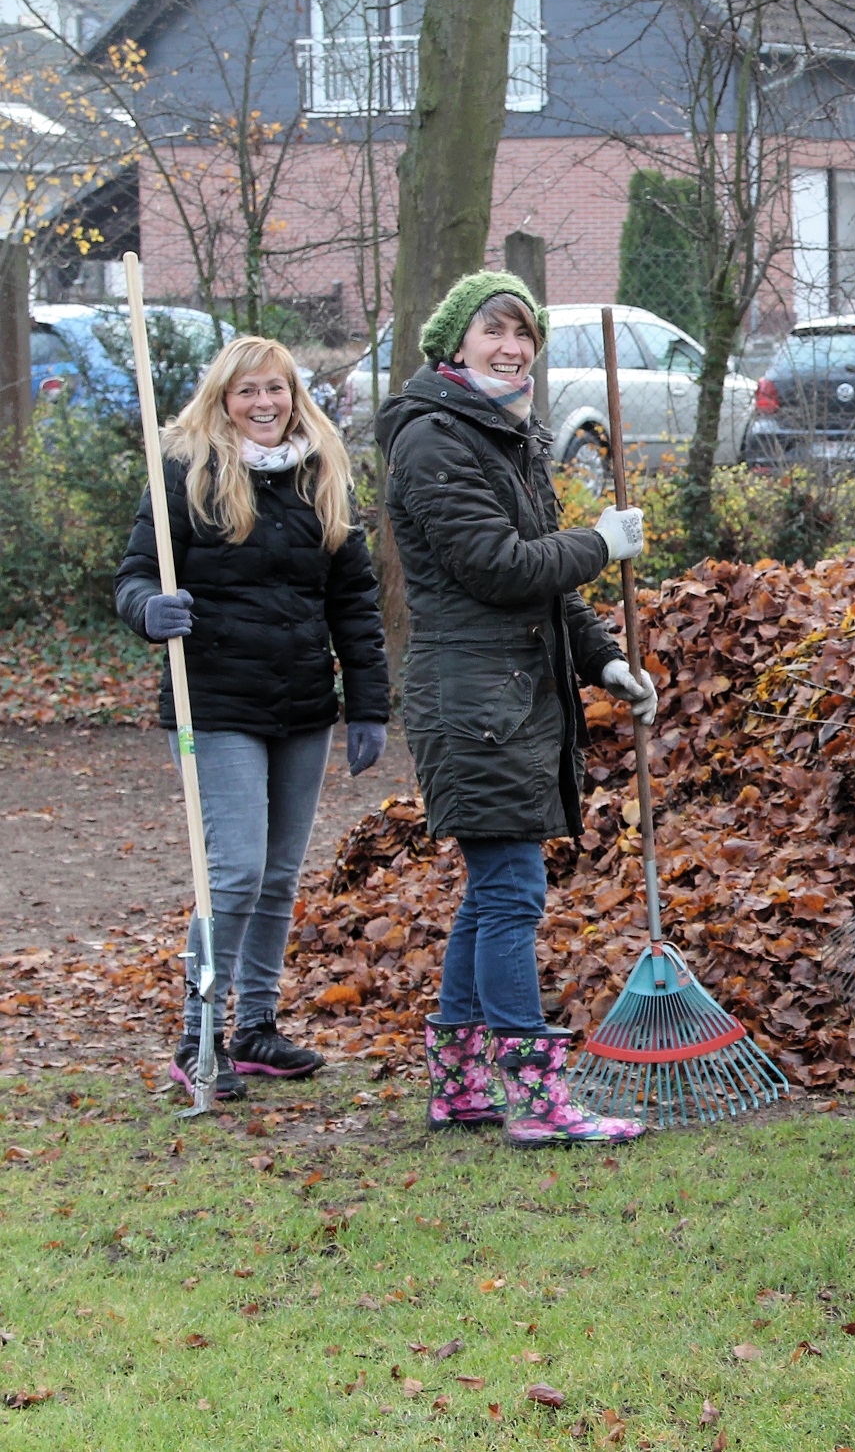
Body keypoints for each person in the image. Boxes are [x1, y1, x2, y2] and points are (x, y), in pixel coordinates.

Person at [375, 270, 661, 1147]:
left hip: (514, 688)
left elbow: (541, 582)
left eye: (525, 334)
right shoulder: (433, 440)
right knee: (510, 891)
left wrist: (605, 658)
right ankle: (536, 1098)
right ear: (453, 344)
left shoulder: (503, 437)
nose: (513, 347)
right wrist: (597, 543)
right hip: (474, 699)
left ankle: (461, 1085)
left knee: (491, 890)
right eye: (495, 331)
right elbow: (497, 566)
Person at [116, 336, 391, 1103]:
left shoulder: (321, 473)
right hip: (215, 701)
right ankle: (197, 1033)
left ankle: (256, 1026)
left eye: (277, 389)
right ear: (222, 400)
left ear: (294, 396)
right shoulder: (185, 472)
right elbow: (135, 575)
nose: (265, 403)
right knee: (233, 869)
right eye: (248, 392)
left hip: (302, 702)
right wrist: (150, 609)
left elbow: (354, 599)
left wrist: (368, 702)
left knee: (277, 875)